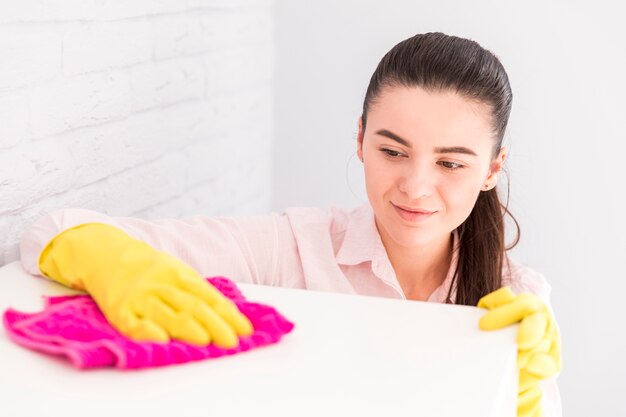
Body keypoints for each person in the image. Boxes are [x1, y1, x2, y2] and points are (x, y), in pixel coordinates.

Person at [19, 32, 561, 417]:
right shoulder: (294, 248)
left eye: (450, 163)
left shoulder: (517, 298)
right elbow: (51, 228)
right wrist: (115, 263)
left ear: (491, 169)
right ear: (359, 140)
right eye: (393, 151)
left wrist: (525, 399)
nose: (416, 187)